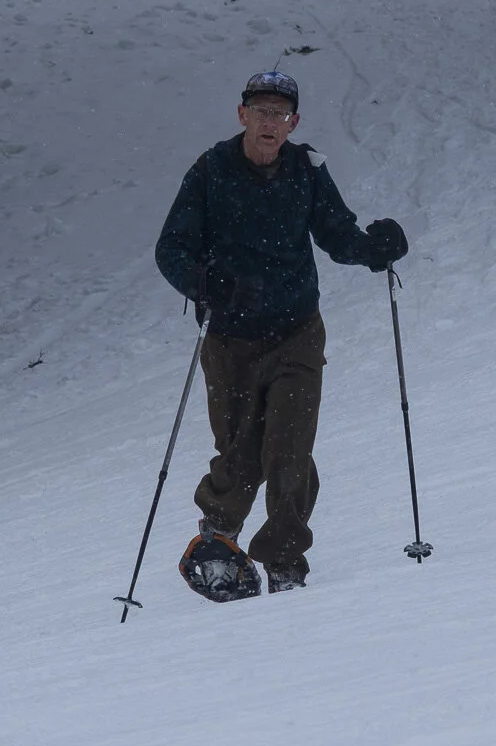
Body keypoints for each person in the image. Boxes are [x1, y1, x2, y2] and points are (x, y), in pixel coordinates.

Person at [154, 70, 408, 592]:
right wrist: (202, 282)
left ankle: (285, 564)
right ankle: (219, 539)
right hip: (231, 339)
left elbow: (336, 233)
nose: (271, 122)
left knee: (289, 447)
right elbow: (171, 249)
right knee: (240, 450)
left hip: (297, 331)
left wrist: (373, 249)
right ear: (242, 114)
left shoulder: (307, 169)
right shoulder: (210, 171)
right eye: (261, 111)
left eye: (281, 114)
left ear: (294, 122)